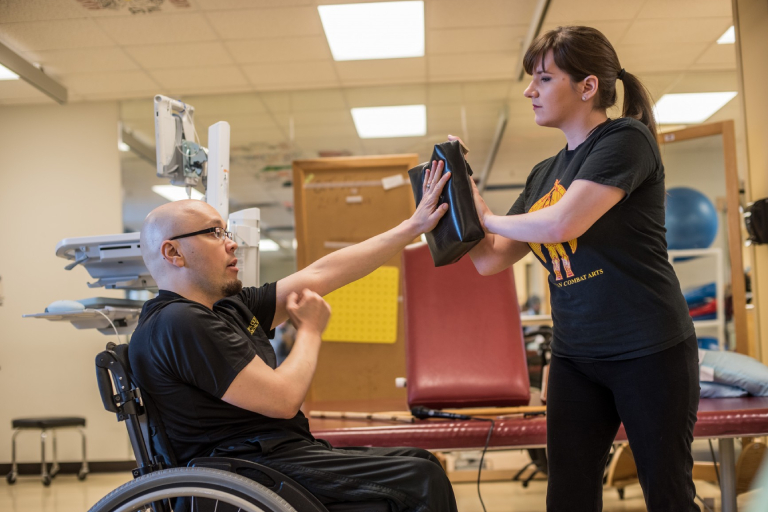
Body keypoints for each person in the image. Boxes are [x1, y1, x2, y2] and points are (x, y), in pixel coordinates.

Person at [129, 161, 458, 512]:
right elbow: (283, 399)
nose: (231, 244)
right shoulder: (178, 322)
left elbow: (323, 273)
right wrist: (311, 332)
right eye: (214, 233)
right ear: (173, 253)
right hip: (245, 472)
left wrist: (413, 227)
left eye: (226, 232)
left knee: (422, 461)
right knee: (422, 478)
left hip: (275, 456)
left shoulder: (224, 308)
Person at [466, 26, 700, 512]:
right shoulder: (542, 175)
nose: (530, 91)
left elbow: (563, 222)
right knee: (568, 493)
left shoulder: (626, 139)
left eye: (544, 79)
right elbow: (490, 258)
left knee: (669, 495)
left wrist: (486, 215)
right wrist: (453, 212)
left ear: (587, 86)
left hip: (649, 349)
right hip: (577, 355)